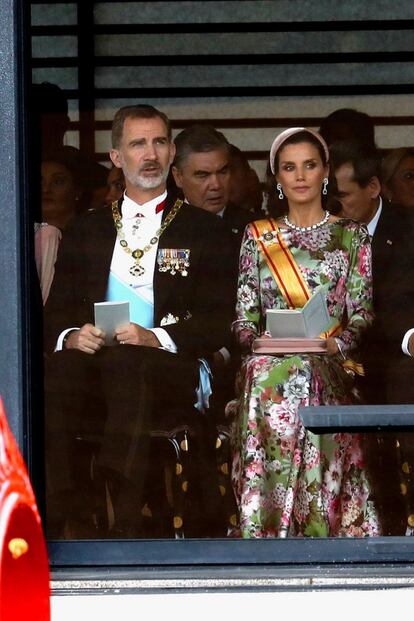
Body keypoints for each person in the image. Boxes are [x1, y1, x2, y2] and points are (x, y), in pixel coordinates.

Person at [43, 105, 233, 538]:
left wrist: (155, 336)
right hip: (97, 362)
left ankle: (123, 502)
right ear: (115, 157)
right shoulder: (85, 229)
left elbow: (220, 319)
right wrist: (72, 336)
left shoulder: (207, 230)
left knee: (128, 361)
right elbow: (55, 310)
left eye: (159, 142)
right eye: (137, 143)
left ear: (171, 153)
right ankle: (64, 504)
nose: (150, 153)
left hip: (173, 363)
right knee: (57, 368)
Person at [227, 127, 380, 538]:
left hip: (330, 361)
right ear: (275, 177)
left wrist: (336, 343)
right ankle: (263, 527)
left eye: (309, 166)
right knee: (266, 369)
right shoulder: (257, 236)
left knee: (303, 370)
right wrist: (258, 341)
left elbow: (362, 314)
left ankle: (314, 524)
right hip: (269, 361)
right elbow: (244, 319)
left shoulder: (352, 235)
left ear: (325, 172)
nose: (299, 176)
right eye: (289, 168)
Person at [330, 140, 414, 535]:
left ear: (374, 188)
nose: (334, 205)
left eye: (343, 195)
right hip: (329, 353)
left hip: (390, 352)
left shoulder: (408, 229)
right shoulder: (324, 231)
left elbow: (400, 302)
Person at [36, 147, 86, 304]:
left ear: (77, 190)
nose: (46, 189)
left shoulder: (89, 235)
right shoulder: (25, 235)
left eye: (57, 181)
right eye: (40, 181)